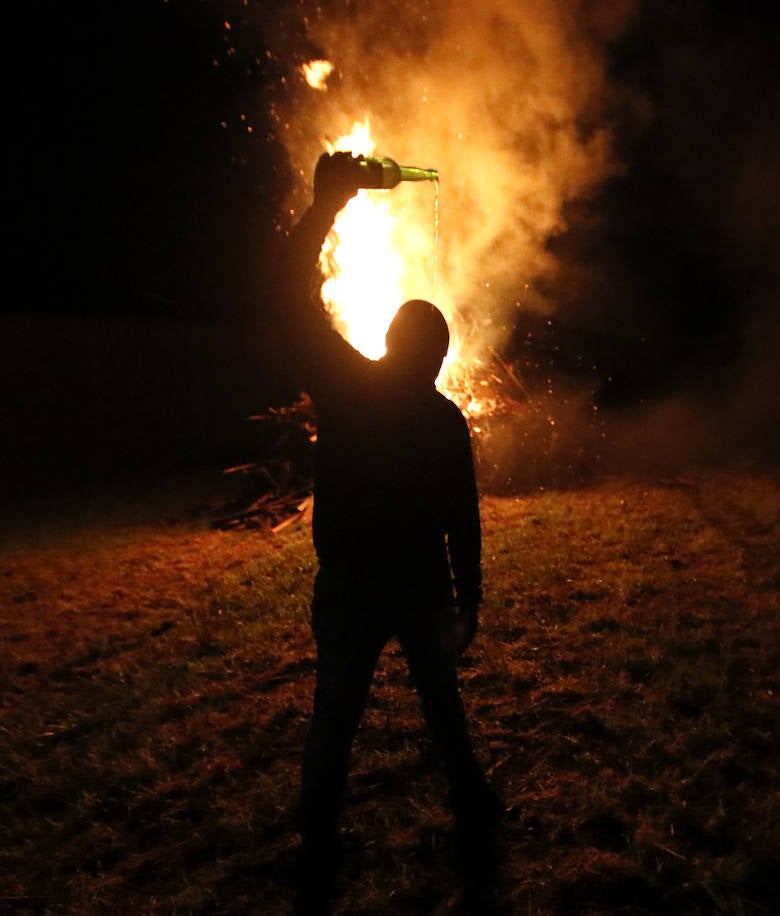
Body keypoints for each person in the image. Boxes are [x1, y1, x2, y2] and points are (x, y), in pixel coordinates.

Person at [282, 151, 505, 912]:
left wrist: (326, 205)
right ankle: (472, 804)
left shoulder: (348, 387)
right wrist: (466, 600)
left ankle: (318, 839)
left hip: (352, 586)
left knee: (335, 716)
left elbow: (287, 292)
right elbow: (461, 518)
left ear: (387, 342)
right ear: (439, 359)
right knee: (439, 702)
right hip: (416, 588)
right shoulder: (443, 419)